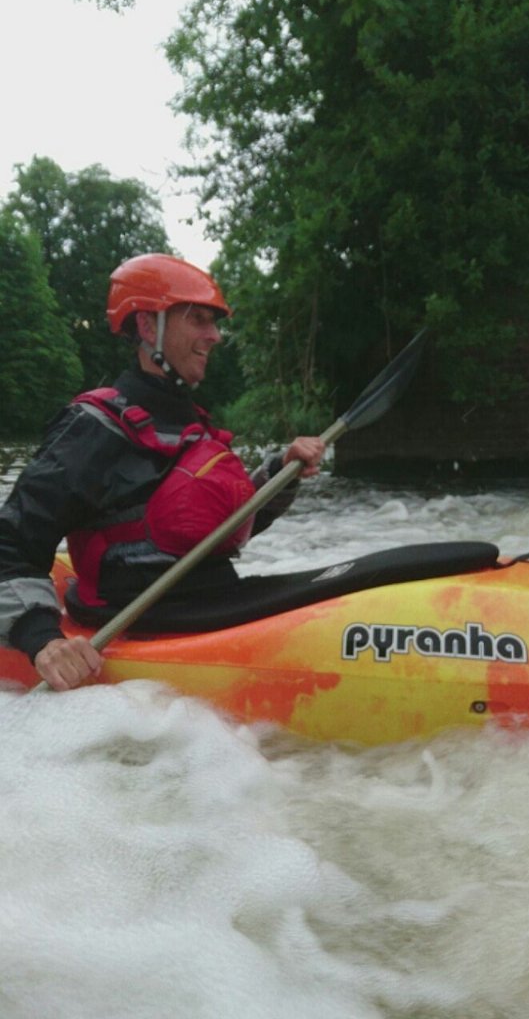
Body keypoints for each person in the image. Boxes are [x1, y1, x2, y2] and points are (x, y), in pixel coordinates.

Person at [0, 253, 325, 693]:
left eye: (214, 323)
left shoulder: (192, 427)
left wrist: (280, 475)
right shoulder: (93, 427)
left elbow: (217, 531)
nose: (214, 336)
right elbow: (12, 542)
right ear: (149, 327)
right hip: (145, 621)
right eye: (199, 320)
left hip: (212, 604)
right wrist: (43, 641)